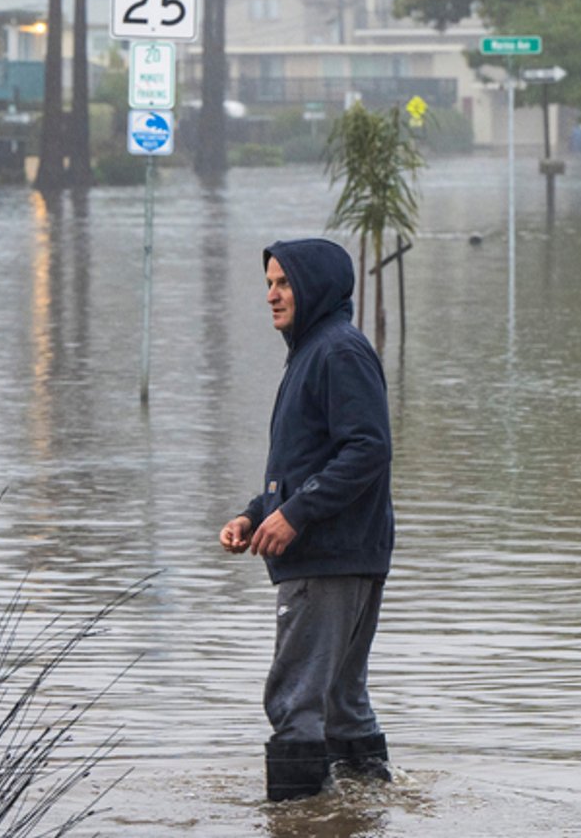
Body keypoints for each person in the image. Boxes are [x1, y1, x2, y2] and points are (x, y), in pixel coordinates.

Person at [219, 237, 395, 801]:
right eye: (268, 283)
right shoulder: (315, 351)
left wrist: (295, 515)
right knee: (343, 706)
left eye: (284, 283)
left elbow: (368, 448)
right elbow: (309, 460)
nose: (271, 295)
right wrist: (256, 514)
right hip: (343, 552)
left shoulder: (336, 351)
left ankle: (295, 821)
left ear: (315, 285)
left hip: (326, 557)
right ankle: (365, 813)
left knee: (295, 703)